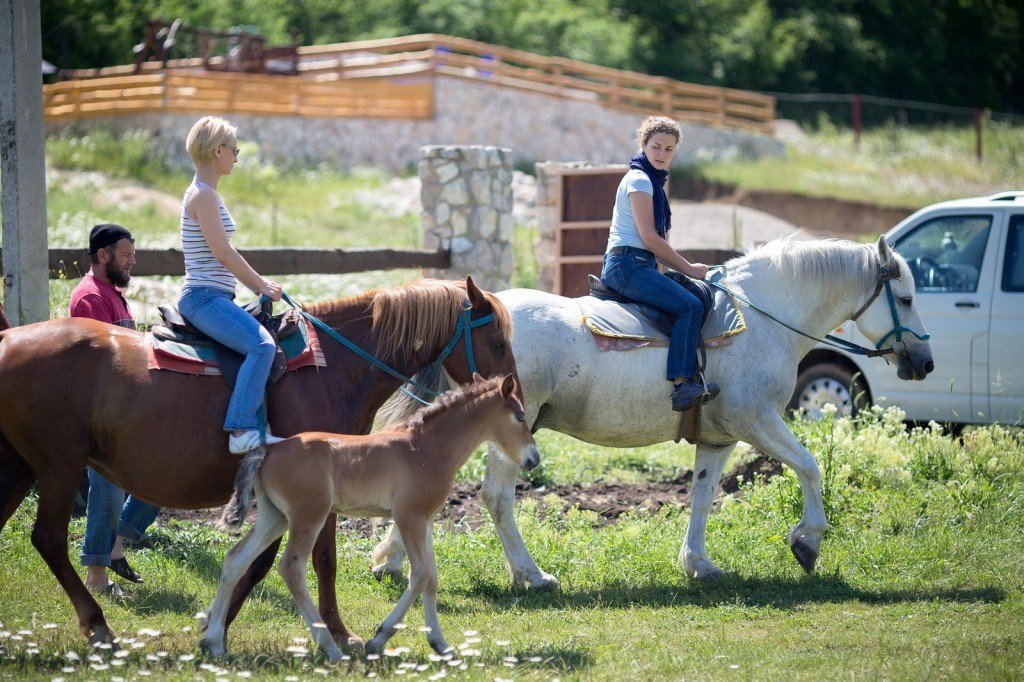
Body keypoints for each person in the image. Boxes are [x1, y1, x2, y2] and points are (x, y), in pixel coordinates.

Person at [177, 115, 285, 454]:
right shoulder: (204, 196)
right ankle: (240, 429)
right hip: (204, 298)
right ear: (218, 150)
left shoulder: (203, 193)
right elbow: (223, 253)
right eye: (234, 150)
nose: (237, 157)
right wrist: (261, 286)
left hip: (214, 296)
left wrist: (258, 283)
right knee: (262, 346)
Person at [599, 116, 721, 412]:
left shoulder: (654, 182)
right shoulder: (640, 179)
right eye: (655, 147)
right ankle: (682, 385)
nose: (661, 154)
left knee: (689, 297)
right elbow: (650, 239)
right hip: (626, 265)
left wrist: (671, 274)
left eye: (668, 149)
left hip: (641, 264)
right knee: (689, 306)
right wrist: (689, 269)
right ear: (642, 144)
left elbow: (655, 249)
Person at [70, 223, 162, 596]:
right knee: (106, 487)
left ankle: (116, 544)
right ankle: (96, 572)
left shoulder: (113, 295)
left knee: (162, 474)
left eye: (134, 256)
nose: (133, 263)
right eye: (127, 256)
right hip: (101, 412)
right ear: (103, 255)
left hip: (125, 408)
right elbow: (105, 362)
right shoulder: (90, 298)